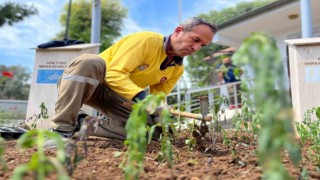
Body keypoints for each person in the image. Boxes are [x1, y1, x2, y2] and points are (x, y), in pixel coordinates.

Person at [49, 17, 217, 141]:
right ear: (178, 31)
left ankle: (83, 124)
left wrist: (161, 116)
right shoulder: (146, 41)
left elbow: (158, 98)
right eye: (195, 40)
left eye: (202, 45)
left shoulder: (177, 69)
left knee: (152, 133)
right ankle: (62, 130)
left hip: (120, 98)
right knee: (90, 61)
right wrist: (144, 98)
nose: (196, 48)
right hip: (90, 82)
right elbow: (113, 74)